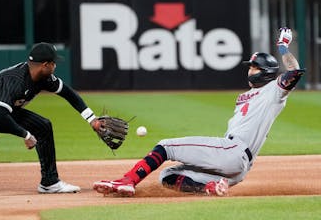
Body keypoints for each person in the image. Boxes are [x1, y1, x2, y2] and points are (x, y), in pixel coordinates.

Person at [93, 27, 305, 197]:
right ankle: (210, 188)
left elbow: (294, 72)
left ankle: (128, 180)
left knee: (165, 146)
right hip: (237, 169)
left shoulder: (274, 91)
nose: (250, 71)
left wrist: (283, 47)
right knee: (168, 176)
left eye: (254, 68)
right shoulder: (246, 96)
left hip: (233, 151)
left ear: (266, 73)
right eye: (249, 67)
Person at [0, 42, 102, 195]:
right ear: (45, 65)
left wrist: (92, 119)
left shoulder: (44, 78)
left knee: (43, 126)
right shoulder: (16, 80)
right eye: (54, 63)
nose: (55, 66)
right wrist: (25, 134)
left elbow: (68, 93)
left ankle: (50, 182)